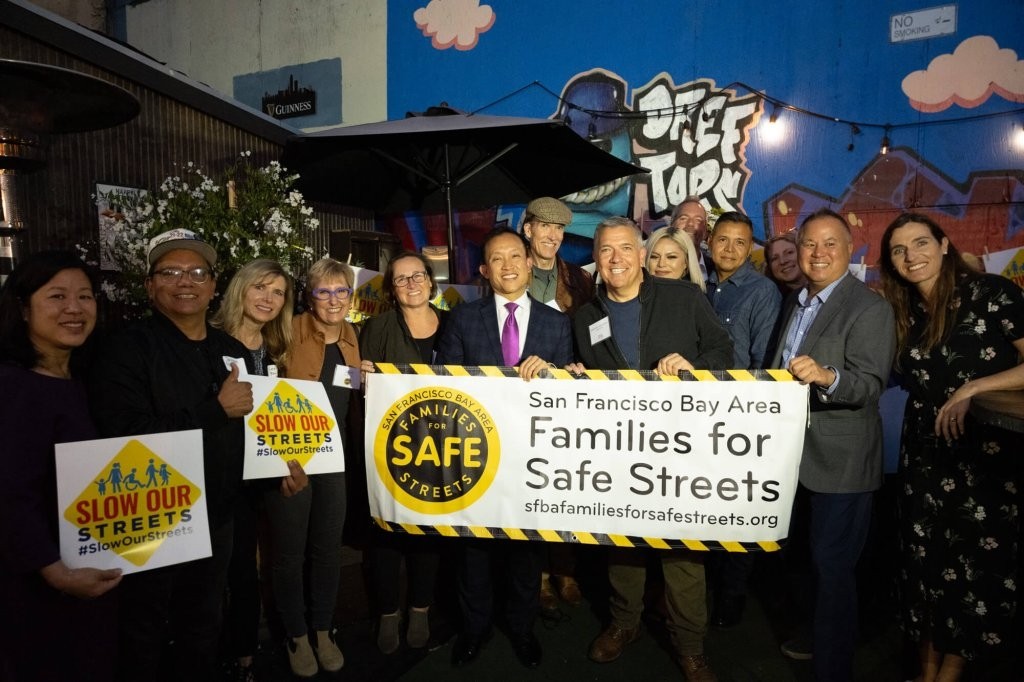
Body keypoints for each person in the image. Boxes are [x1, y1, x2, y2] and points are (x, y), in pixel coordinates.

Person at [89, 229, 305, 682]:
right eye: (170, 272)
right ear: (150, 285)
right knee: (143, 631)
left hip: (216, 517)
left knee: (202, 626)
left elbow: (245, 435)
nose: (184, 281)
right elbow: (123, 438)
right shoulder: (125, 348)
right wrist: (213, 410)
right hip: (152, 516)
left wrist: (275, 470)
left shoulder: (229, 352)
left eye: (197, 272)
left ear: (213, 286)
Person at [573, 216, 732, 682]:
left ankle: (690, 647)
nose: (617, 258)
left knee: (683, 553)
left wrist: (694, 366)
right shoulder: (586, 317)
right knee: (623, 547)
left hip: (681, 450)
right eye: (606, 251)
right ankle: (625, 625)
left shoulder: (683, 297)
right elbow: (588, 380)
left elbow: (724, 353)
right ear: (597, 261)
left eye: (625, 248)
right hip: (619, 453)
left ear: (642, 255)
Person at [879, 213, 1024, 681]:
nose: (911, 256)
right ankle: (925, 673)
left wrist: (972, 389)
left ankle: (949, 675)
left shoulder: (992, 293)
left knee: (971, 571)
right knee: (922, 566)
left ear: (944, 245)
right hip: (923, 453)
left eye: (921, 243)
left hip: (983, 455)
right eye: (899, 250)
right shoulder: (907, 309)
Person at [765, 209, 895, 682]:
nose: (818, 254)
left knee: (833, 568)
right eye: (809, 245)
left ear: (850, 248)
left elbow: (869, 384)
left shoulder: (869, 307)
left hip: (842, 461)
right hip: (794, 458)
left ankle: (834, 668)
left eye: (829, 244)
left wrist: (826, 376)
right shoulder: (795, 301)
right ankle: (816, 636)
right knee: (807, 562)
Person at [437, 228, 573, 669]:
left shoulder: (557, 323)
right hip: (475, 456)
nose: (509, 265)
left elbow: (572, 394)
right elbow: (445, 386)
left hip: (532, 460)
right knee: (473, 551)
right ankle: (474, 631)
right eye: (497, 259)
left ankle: (521, 628)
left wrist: (555, 372)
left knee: (525, 552)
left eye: (516, 256)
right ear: (484, 270)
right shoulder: (462, 319)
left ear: (530, 262)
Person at [0, 251, 122, 681]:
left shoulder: (82, 380)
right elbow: (11, 495)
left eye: (85, 297)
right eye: (57, 296)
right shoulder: (14, 387)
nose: (74, 308)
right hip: (42, 583)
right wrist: (56, 572)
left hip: (88, 566)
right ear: (22, 307)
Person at [210, 259, 298, 681]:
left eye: (278, 292)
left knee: (253, 565)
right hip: (220, 475)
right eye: (260, 288)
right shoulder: (210, 342)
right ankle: (222, 653)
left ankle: (245, 652)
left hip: (263, 475)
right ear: (240, 289)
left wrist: (288, 463)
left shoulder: (277, 348)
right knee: (227, 569)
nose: (268, 298)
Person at [272, 257, 361, 677]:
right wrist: (279, 460)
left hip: (334, 458)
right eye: (323, 291)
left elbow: (349, 388)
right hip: (290, 458)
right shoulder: (287, 329)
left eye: (341, 291)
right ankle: (296, 633)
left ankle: (323, 629)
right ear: (309, 295)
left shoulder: (351, 335)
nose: (333, 299)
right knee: (289, 552)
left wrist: (370, 378)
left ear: (351, 296)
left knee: (328, 549)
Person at [359, 251, 446, 653]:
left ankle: (421, 609)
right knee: (385, 533)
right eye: (401, 279)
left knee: (426, 533)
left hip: (440, 447)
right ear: (392, 291)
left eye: (417, 276)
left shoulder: (452, 325)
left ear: (431, 281)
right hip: (389, 447)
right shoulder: (376, 327)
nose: (411, 284)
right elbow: (362, 385)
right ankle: (388, 614)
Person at [704, 211, 782, 628]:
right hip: (697, 419)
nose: (730, 249)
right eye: (723, 240)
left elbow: (763, 364)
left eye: (740, 242)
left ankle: (731, 597)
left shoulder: (761, 291)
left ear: (750, 247)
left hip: (738, 418)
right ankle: (710, 588)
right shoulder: (698, 287)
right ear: (710, 242)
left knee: (736, 510)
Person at [521, 196, 591, 610]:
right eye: (545, 227)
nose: (553, 236)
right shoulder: (509, 269)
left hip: (567, 398)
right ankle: (540, 578)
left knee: (564, 483)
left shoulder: (579, 279)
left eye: (559, 229)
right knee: (531, 484)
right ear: (528, 229)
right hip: (520, 395)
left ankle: (566, 569)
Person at [644, 225, 705, 291]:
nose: (661, 264)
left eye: (671, 257)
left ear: (686, 262)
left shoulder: (696, 298)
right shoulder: (635, 295)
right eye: (654, 257)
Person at [669, 195, 711, 280]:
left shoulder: (715, 269)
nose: (690, 224)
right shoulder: (659, 266)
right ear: (672, 224)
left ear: (705, 230)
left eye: (698, 220)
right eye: (683, 218)